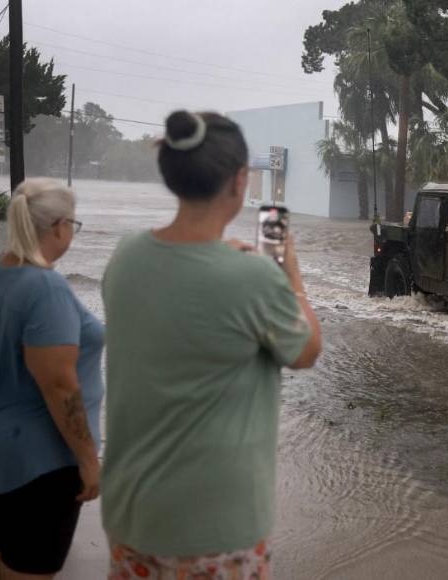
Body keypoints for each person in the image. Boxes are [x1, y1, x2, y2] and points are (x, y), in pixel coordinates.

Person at [102, 110, 322, 580]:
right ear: (240, 181)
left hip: (132, 516)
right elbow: (305, 351)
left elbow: (186, 301)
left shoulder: (125, 257)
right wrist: (289, 272)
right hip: (215, 530)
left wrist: (242, 267)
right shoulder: (255, 278)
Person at [0, 178, 104, 579]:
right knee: (26, 573)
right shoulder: (46, 287)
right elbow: (59, 385)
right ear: (59, 226)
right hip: (41, 465)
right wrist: (89, 460)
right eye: (73, 225)